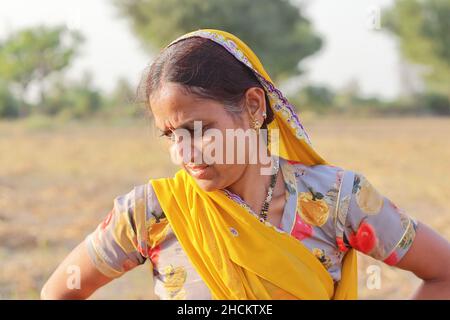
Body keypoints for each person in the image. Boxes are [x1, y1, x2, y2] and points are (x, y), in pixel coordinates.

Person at [41, 29, 450, 300]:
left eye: (200, 129)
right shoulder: (152, 212)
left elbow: (442, 273)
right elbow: (60, 292)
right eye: (171, 135)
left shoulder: (336, 200)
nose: (186, 154)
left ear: (253, 106)